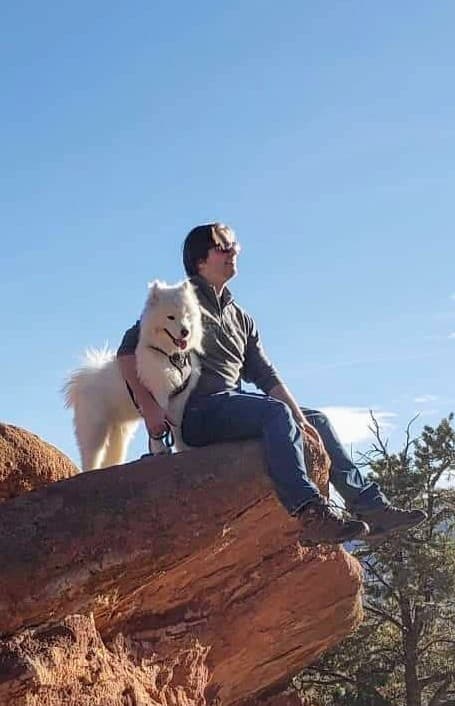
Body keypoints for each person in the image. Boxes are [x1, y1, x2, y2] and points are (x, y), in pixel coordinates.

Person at [117, 223, 426, 544]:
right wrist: (149, 407)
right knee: (276, 413)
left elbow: (265, 375)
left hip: (231, 404)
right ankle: (310, 513)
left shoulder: (240, 317)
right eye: (222, 248)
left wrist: (301, 420)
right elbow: (127, 350)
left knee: (316, 420)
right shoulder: (179, 302)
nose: (233, 252)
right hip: (197, 413)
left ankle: (372, 508)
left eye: (234, 246)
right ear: (200, 261)